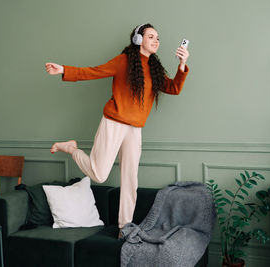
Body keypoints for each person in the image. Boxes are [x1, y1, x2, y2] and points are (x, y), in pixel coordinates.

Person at [45, 23, 189, 238]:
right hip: (114, 122)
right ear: (138, 40)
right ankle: (71, 148)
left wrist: (182, 63)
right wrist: (64, 69)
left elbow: (174, 88)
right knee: (99, 174)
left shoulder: (154, 69)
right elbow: (94, 72)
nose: (156, 40)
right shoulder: (124, 62)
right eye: (151, 36)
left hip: (135, 129)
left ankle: (125, 227)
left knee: (130, 179)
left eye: (158, 37)